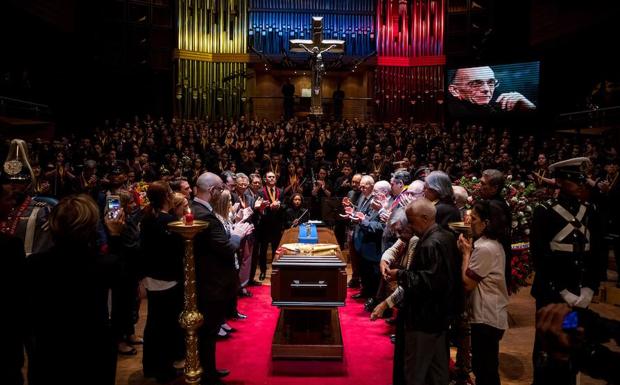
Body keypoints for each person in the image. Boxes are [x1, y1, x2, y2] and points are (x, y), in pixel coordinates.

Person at [25, 194, 118, 385]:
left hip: (48, 351)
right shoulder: (105, 265)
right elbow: (125, 295)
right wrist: (115, 237)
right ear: (92, 226)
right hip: (93, 351)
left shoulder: (34, 264)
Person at [530, 157, 605, 385]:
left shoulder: (590, 211)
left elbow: (597, 253)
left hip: (577, 295)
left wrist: (589, 288)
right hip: (552, 296)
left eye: (582, 180)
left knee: (569, 341)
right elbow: (540, 256)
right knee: (547, 343)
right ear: (560, 181)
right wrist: (562, 291)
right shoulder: (545, 211)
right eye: (575, 180)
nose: (581, 184)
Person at [385, 198, 462, 385]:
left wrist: (400, 275)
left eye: (411, 221)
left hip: (424, 318)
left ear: (426, 217)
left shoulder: (430, 243)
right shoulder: (446, 236)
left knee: (415, 373)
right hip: (440, 317)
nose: (409, 226)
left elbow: (429, 281)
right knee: (438, 371)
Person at [192, 172, 252, 385]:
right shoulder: (205, 215)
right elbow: (227, 249)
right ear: (212, 191)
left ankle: (208, 370)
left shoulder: (197, 209)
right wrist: (237, 233)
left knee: (208, 331)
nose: (223, 193)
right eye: (220, 189)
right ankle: (207, 374)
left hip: (209, 279)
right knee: (208, 331)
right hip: (212, 282)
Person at [457, 201, 510, 385]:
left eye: (474, 218)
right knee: (483, 366)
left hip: (487, 316)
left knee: (485, 370)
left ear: (486, 222)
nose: (469, 222)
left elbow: (467, 283)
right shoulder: (489, 244)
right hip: (487, 314)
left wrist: (465, 253)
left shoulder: (485, 248)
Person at [139, 181, 185, 383]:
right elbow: (177, 251)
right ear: (167, 196)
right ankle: (163, 368)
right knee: (166, 325)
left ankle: (150, 366)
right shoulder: (168, 221)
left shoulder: (148, 217)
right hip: (167, 277)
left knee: (154, 322)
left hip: (151, 276)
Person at [447, 65, 536, 117]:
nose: (486, 89)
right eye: (476, 83)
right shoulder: (451, 111)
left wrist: (529, 107)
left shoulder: (499, 107)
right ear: (455, 90)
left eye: (491, 82)